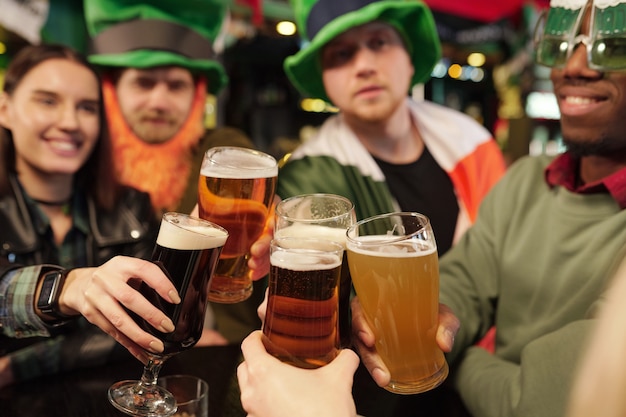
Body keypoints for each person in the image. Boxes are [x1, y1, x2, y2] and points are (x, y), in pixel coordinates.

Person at [352, 0, 626, 415]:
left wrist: (450, 361)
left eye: (614, 45)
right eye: (559, 45)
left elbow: (548, 402)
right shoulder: (527, 180)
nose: (574, 67)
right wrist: (403, 324)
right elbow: (464, 280)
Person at [275, 0, 506, 414]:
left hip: (485, 370)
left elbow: (504, 259)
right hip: (381, 390)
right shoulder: (310, 178)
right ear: (324, 79)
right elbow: (323, 293)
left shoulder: (470, 140)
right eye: (342, 54)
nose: (364, 66)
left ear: (408, 55)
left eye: (379, 43)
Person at [0, 43, 182, 389]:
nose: (70, 122)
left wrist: (23, 365)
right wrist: (67, 287)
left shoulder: (131, 206)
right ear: (5, 109)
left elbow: (155, 333)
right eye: (47, 101)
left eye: (87, 108)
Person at [83, 0, 260, 344]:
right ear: (111, 89)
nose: (159, 102)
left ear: (197, 96)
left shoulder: (221, 156)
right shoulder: (82, 158)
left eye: (176, 86)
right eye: (144, 83)